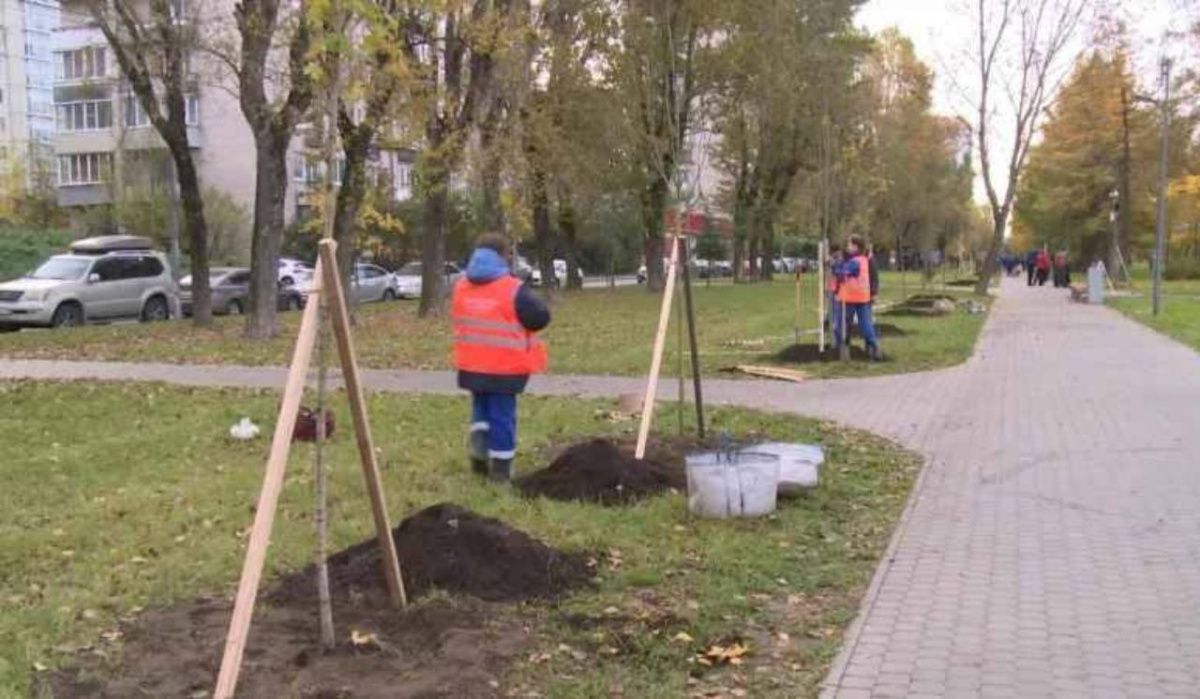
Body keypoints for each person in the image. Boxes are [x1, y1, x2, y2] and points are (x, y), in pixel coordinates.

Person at [451, 234, 551, 482]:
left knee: (480, 411)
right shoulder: (512, 287)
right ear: (503, 255)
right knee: (502, 417)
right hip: (505, 368)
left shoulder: (461, 285)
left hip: (471, 365)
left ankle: (478, 457)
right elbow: (540, 317)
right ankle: (501, 471)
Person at [835, 234, 881, 361]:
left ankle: (843, 348)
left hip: (850, 296)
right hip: (863, 297)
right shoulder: (864, 258)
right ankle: (875, 347)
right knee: (866, 324)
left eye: (849, 244)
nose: (847, 246)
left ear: (855, 246)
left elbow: (841, 272)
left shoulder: (855, 261)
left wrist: (833, 265)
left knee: (841, 324)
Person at [824, 244, 843, 343]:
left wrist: (831, 263)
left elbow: (838, 271)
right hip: (831, 290)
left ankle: (837, 341)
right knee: (831, 314)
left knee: (836, 318)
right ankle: (832, 338)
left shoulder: (839, 261)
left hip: (837, 292)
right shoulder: (832, 261)